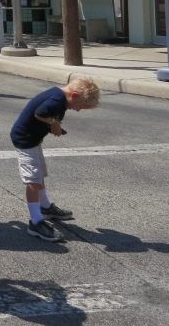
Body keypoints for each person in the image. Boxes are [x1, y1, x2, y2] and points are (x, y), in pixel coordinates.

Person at [10, 78, 100, 242]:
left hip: (33, 139)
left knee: (39, 174)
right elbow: (40, 113)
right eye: (80, 106)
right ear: (74, 95)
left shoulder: (59, 97)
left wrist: (53, 125)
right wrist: (54, 122)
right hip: (25, 139)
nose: (78, 110)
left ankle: (45, 208)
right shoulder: (57, 99)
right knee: (33, 179)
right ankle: (35, 222)